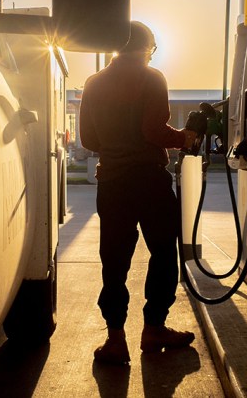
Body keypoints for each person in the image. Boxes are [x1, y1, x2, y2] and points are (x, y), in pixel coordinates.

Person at [79, 20, 198, 365]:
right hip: (148, 179)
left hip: (112, 182)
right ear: (147, 48)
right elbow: (152, 130)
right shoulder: (151, 77)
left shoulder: (94, 82)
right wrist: (183, 138)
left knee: (114, 260)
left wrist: (116, 146)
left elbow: (88, 139)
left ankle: (115, 338)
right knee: (162, 253)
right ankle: (154, 328)